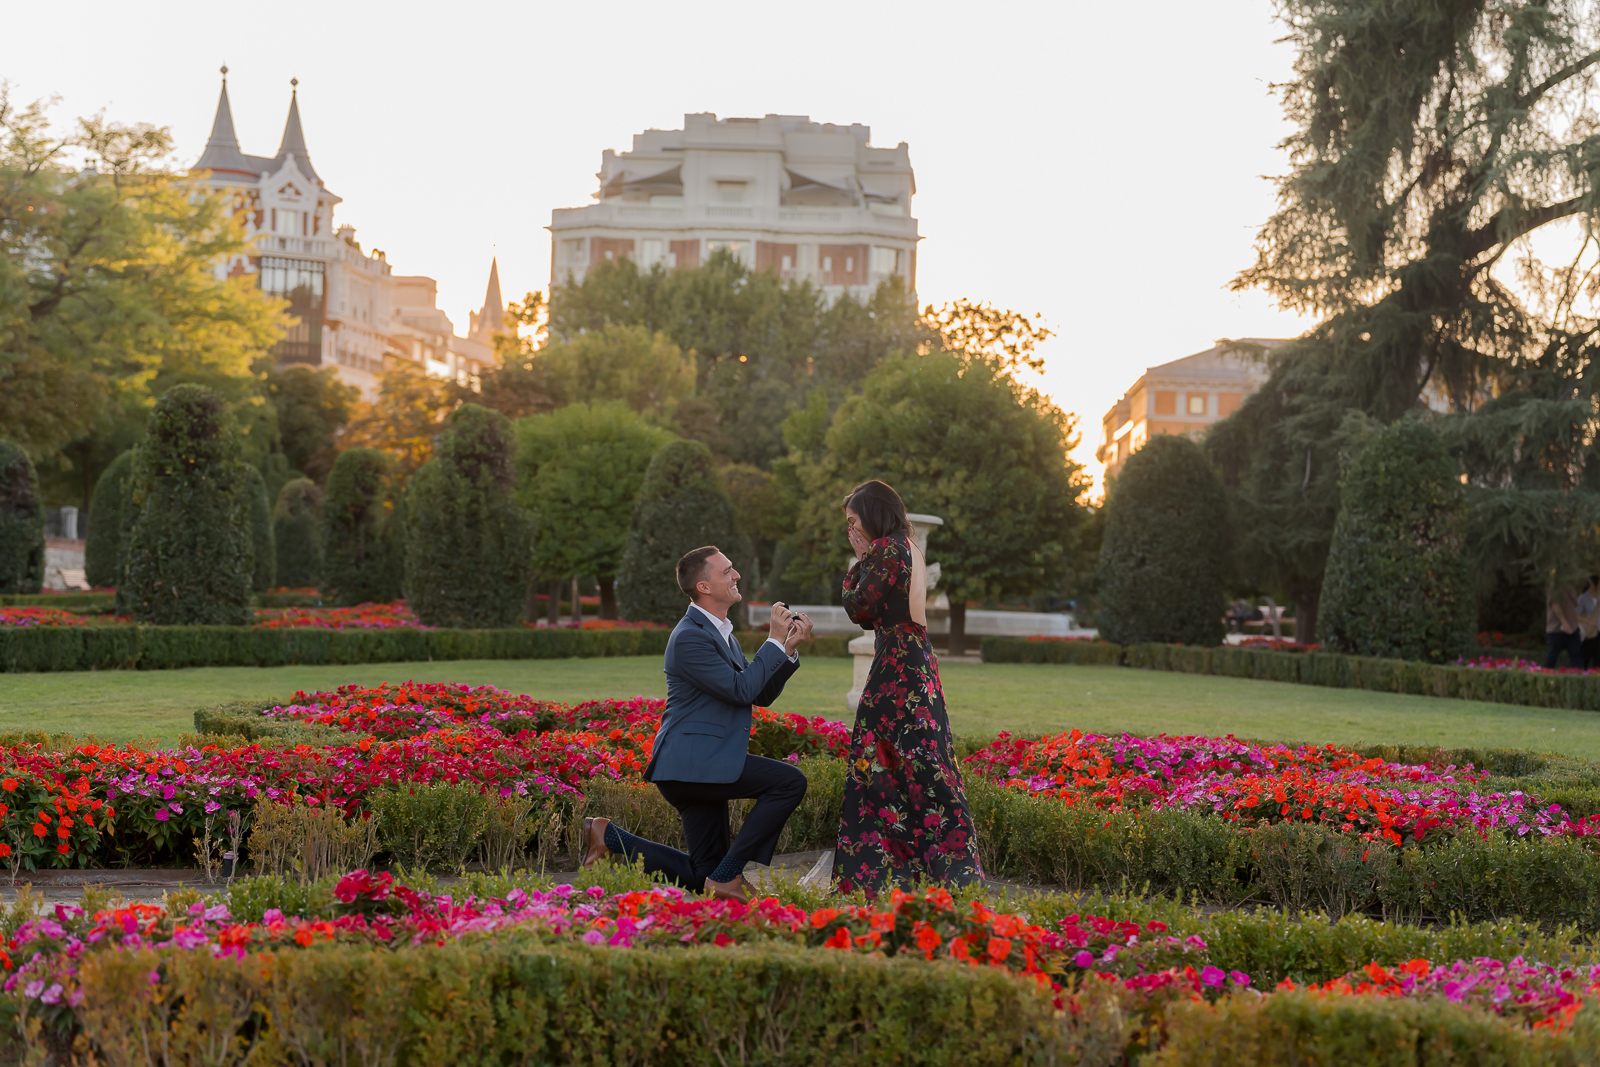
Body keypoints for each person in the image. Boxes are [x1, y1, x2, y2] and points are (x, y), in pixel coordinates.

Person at [576, 545, 815, 902]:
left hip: (700, 766)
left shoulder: (723, 634)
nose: (735, 575)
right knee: (788, 783)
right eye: (727, 571)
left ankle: (609, 839)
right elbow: (741, 689)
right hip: (693, 764)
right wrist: (772, 641)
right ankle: (729, 876)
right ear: (703, 586)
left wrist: (788, 650)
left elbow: (758, 694)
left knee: (702, 874)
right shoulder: (690, 636)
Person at [833, 479, 983, 895]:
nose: (851, 530)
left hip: (895, 670)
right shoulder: (910, 549)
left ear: (872, 514)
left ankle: (876, 874)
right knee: (924, 763)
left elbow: (859, 608)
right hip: (918, 664)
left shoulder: (884, 549)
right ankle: (947, 871)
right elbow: (874, 613)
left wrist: (859, 561)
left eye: (853, 520)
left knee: (877, 765)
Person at [1546, 582, 1583, 669]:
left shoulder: (1571, 587)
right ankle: (1545, 677)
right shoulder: (1554, 588)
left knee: (1576, 655)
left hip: (1573, 628)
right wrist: (1564, 622)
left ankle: (1579, 678)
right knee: (1553, 656)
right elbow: (1555, 606)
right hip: (1557, 629)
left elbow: (1575, 605)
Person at [1580, 576, 1600, 669]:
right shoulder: (1583, 598)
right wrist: (1588, 621)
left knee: (1598, 658)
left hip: (1598, 630)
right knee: (1585, 657)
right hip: (1589, 633)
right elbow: (1576, 615)